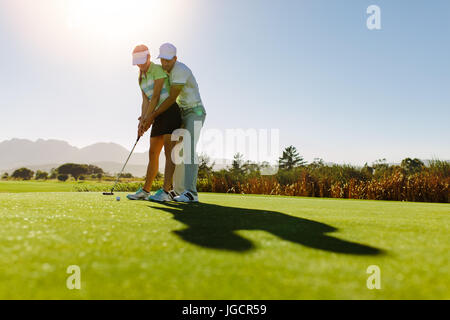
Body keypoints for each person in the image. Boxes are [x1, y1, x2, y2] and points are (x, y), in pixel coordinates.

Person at [143, 43, 206, 203]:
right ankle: (177, 192)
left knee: (189, 148)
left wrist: (152, 115)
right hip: (181, 112)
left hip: (195, 112)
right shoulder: (164, 70)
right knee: (176, 152)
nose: (164, 64)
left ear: (175, 59)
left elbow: (171, 98)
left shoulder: (180, 70)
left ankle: (191, 192)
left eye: (168, 61)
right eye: (162, 60)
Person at [126, 44, 181, 202]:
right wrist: (142, 120)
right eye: (137, 61)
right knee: (152, 153)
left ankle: (165, 191)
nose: (140, 64)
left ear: (149, 57)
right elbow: (146, 100)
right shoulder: (140, 77)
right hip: (156, 115)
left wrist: (149, 118)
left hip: (169, 111)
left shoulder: (157, 70)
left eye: (142, 60)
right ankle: (145, 190)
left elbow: (156, 96)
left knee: (168, 152)